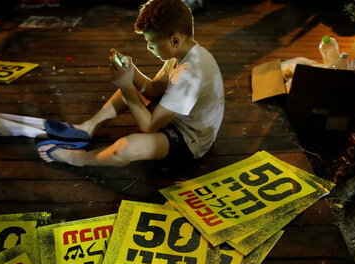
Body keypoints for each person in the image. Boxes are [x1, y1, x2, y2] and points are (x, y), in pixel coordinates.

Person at [37, 0, 224, 167]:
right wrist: (131, 71)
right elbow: (152, 90)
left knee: (127, 147)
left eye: (151, 43)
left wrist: (125, 85)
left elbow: (149, 127)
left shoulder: (190, 74)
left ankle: (76, 159)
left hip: (190, 139)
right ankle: (88, 128)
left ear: (175, 40)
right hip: (175, 118)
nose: (149, 48)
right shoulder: (181, 54)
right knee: (133, 90)